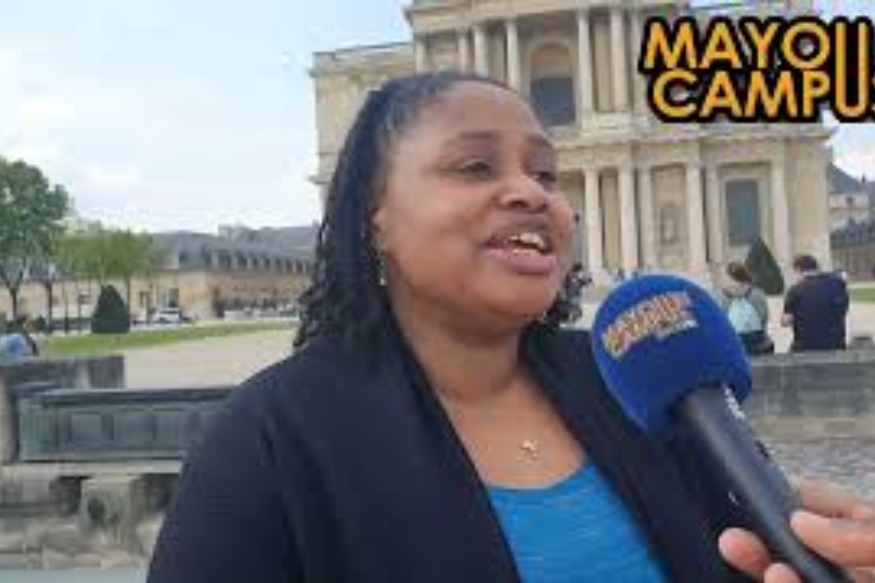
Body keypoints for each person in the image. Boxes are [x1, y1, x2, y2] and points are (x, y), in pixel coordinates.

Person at [147, 72, 874, 582]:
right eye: (473, 166)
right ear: (376, 219)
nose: (530, 191)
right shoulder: (268, 441)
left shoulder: (630, 378)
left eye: (547, 174)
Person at [782, 254, 850, 352]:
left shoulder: (795, 290)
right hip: (836, 344)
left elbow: (785, 321)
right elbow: (843, 309)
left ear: (798, 270)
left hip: (806, 347)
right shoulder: (838, 283)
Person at [718, 262, 773, 356]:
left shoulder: (756, 296)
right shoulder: (723, 298)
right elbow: (721, 320)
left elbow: (763, 318)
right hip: (736, 341)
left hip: (752, 342)